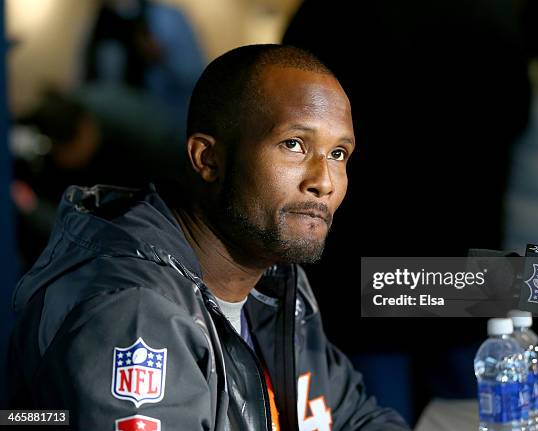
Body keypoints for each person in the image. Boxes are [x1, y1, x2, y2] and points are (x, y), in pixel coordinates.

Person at [8, 45, 409, 430]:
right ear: (207, 159)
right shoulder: (133, 313)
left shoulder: (276, 283)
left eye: (338, 154)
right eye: (294, 145)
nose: (324, 181)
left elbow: (357, 417)